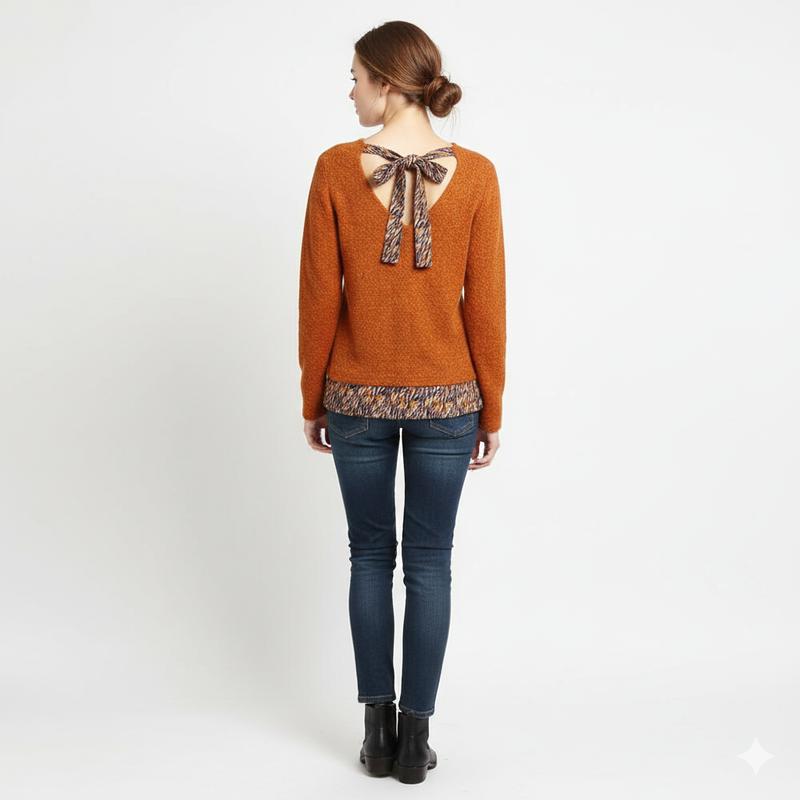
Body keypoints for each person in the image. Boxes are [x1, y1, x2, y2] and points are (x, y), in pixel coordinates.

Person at [297, 20, 506, 784]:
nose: (350, 91)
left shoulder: (333, 168)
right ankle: (416, 742)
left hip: (354, 395)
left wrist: (313, 393)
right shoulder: (476, 175)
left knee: (368, 556)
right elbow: (487, 305)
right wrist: (492, 408)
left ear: (386, 82)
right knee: (429, 564)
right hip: (449, 400)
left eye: (355, 77)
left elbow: (318, 298)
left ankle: (377, 733)